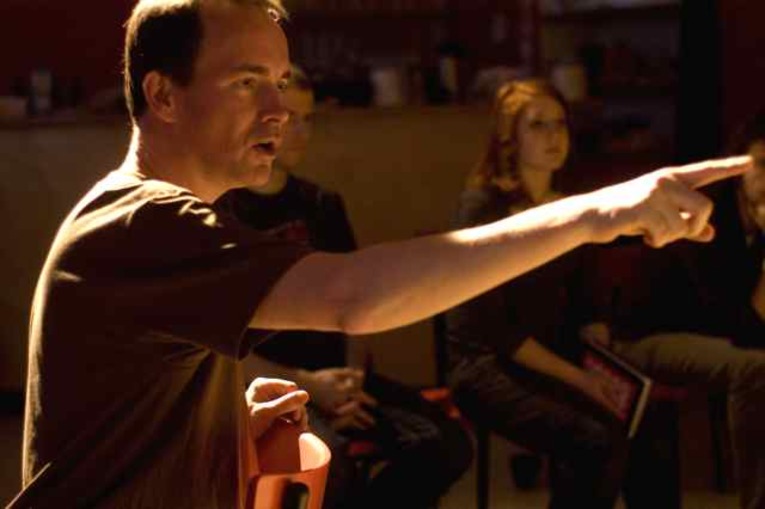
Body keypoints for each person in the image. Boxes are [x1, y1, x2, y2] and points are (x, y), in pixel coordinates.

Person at [11, 0, 751, 506]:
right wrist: (596, 212)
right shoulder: (141, 222)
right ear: (163, 96)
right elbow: (355, 297)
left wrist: (231, 413)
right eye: (245, 82)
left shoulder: (159, 217)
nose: (277, 109)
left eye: (279, 81)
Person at [215, 65, 472, 509]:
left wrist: (352, 381)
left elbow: (359, 299)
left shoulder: (321, 204)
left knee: (444, 443)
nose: (300, 131)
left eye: (308, 119)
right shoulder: (224, 212)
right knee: (330, 467)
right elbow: (224, 346)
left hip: (340, 378)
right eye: (289, 118)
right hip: (273, 385)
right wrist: (311, 387)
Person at [445, 79, 630, 509]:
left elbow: (586, 294)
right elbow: (498, 330)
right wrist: (580, 379)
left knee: (638, 423)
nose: (554, 136)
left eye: (560, 124)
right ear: (509, 137)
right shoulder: (483, 206)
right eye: (538, 125)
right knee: (593, 439)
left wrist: (597, 336)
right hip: (486, 365)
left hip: (550, 355)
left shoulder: (568, 202)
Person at [590, 111, 765, 509]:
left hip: (706, 333)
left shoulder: (755, 220)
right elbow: (739, 324)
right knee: (756, 368)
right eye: (763, 164)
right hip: (644, 336)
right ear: (738, 166)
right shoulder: (708, 211)